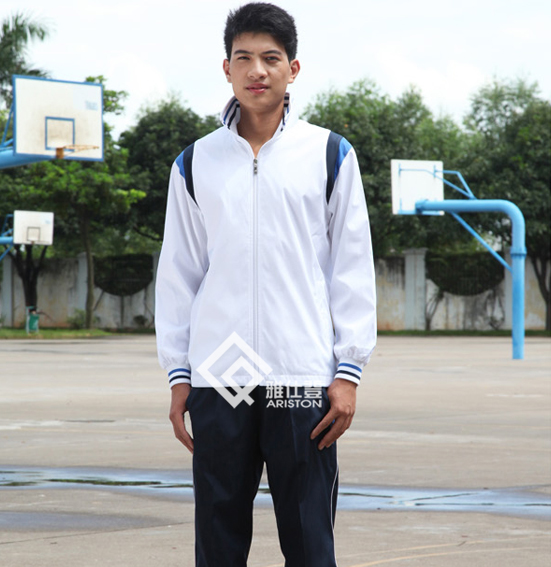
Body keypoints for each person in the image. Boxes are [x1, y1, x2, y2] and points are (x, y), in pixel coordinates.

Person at [155, 3, 376, 565]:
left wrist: (348, 370)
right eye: (244, 58)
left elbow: (351, 267)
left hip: (300, 377)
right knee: (218, 542)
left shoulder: (329, 154)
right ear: (226, 69)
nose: (257, 70)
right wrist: (179, 375)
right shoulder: (194, 163)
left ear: (293, 69)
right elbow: (179, 274)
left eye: (271, 58)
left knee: (309, 543)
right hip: (219, 379)